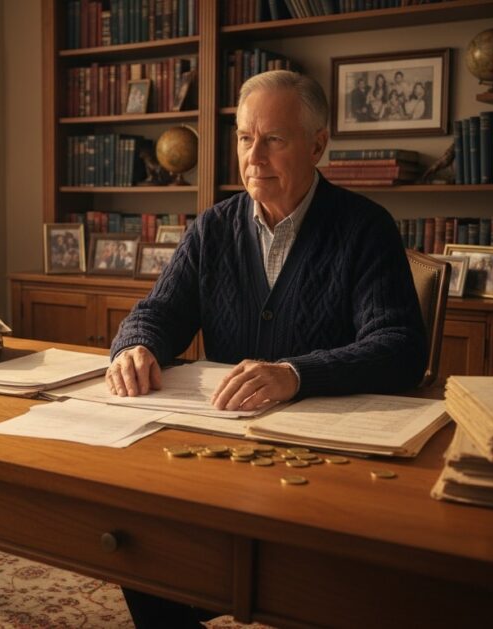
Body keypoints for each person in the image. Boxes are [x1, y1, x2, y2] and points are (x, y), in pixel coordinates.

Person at [105, 70, 426, 628]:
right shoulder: (212, 228)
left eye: (274, 139)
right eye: (244, 138)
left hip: (324, 464)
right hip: (224, 452)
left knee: (318, 586)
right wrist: (133, 347)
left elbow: (398, 348)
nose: (254, 157)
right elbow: (158, 313)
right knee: (140, 542)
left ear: (318, 145)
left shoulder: (365, 228)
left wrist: (294, 374)